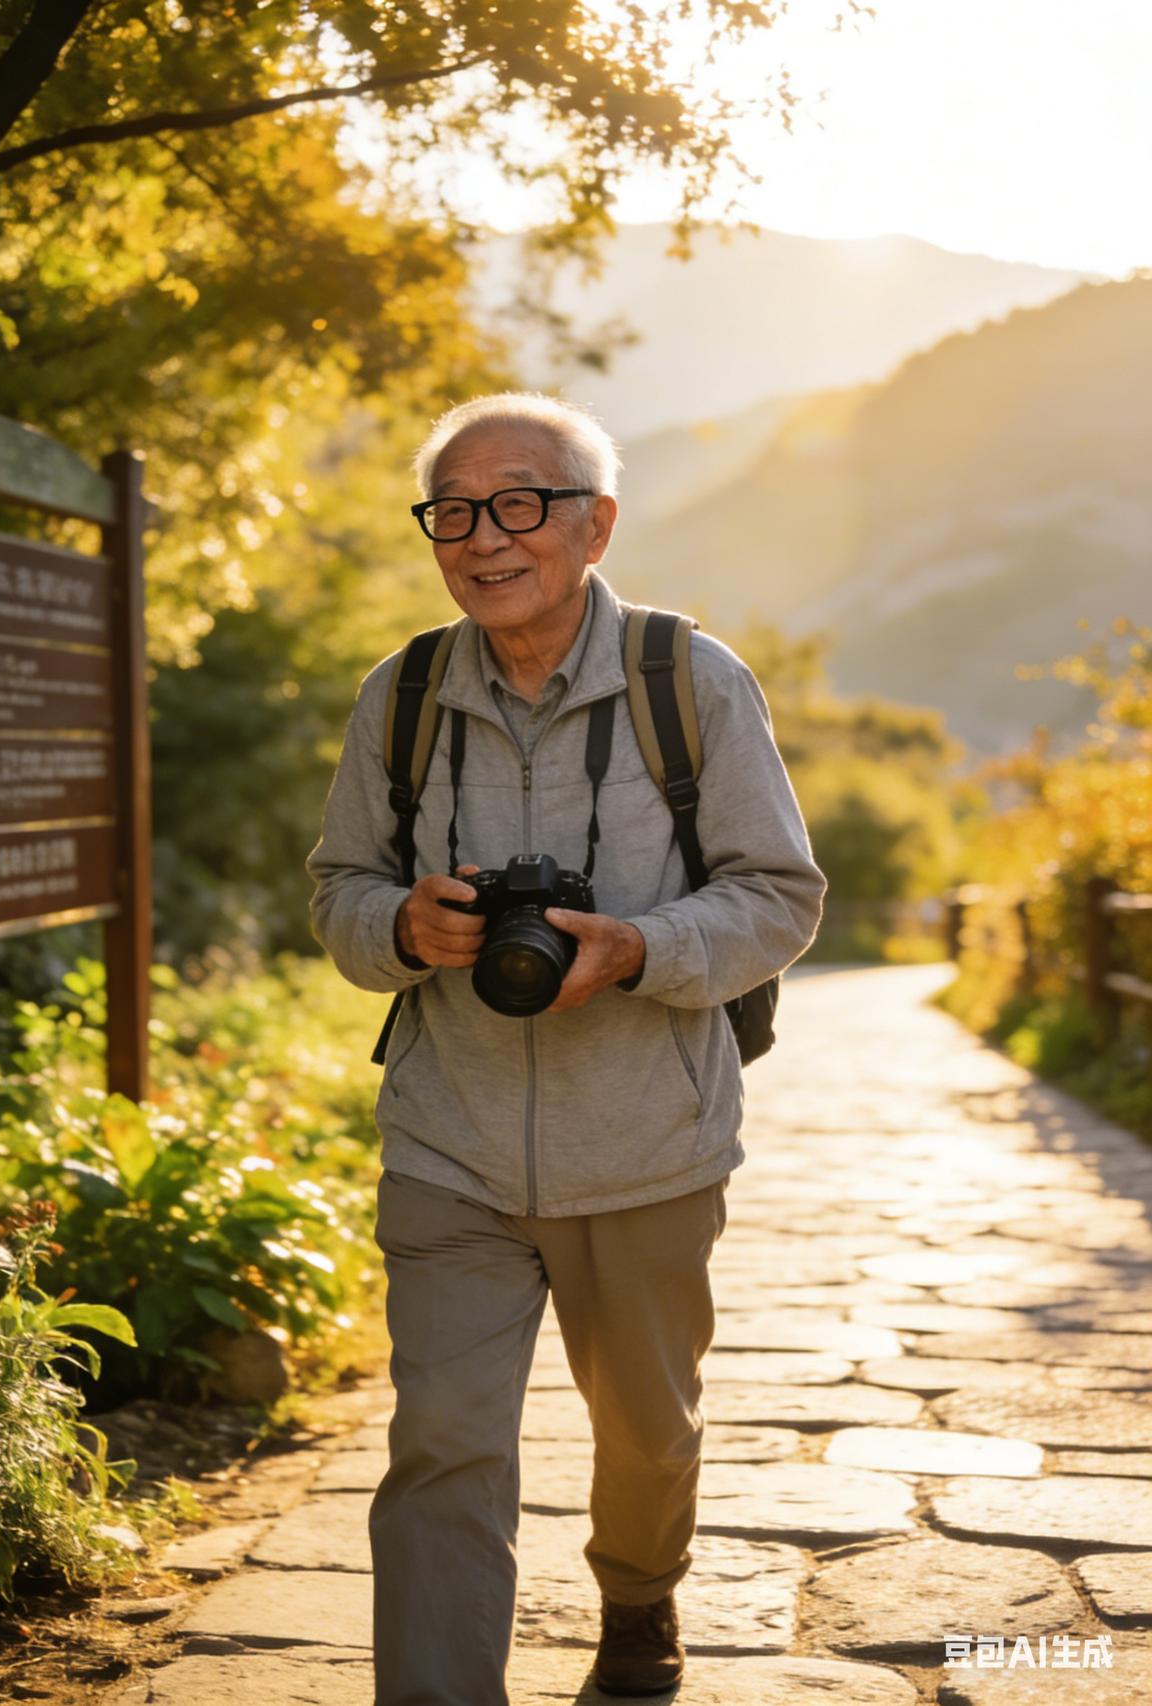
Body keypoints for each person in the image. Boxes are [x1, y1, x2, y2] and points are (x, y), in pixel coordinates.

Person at [306, 392, 826, 1704]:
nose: (484, 536)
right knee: (442, 1449)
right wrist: (403, 924)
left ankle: (639, 1598)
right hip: (450, 1144)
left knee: (646, 1439)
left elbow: (781, 892)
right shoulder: (404, 694)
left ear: (595, 524)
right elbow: (337, 892)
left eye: (520, 502)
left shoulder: (688, 683)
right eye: (456, 511)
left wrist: (640, 949)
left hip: (648, 1147)